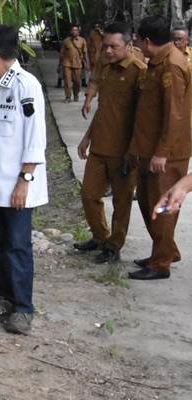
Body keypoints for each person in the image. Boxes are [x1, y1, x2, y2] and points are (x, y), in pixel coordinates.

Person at [0, 25, 47, 335]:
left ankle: (23, 309)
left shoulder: (26, 86)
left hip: (17, 185)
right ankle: (3, 300)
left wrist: (24, 180)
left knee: (17, 246)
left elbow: (34, 137)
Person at [74, 23, 146, 264]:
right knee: (89, 194)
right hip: (100, 146)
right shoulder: (105, 66)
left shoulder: (138, 71)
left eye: (114, 47)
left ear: (128, 46)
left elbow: (143, 118)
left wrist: (134, 150)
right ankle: (100, 236)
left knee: (121, 201)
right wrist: (87, 137)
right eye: (105, 46)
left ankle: (113, 246)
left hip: (124, 151)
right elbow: (104, 108)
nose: (107, 51)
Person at [127, 15, 192, 280]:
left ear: (147, 41)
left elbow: (175, 114)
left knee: (162, 207)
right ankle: (164, 250)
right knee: (146, 201)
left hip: (167, 154)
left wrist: (163, 152)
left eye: (139, 42)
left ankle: (161, 263)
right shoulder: (157, 63)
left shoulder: (171, 67)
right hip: (149, 149)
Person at [60, 25, 88, 102]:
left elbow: (85, 53)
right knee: (67, 81)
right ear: (70, 31)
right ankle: (68, 97)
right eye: (73, 30)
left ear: (78, 32)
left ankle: (76, 94)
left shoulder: (82, 40)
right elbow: (62, 53)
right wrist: (60, 64)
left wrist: (87, 63)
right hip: (67, 63)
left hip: (77, 64)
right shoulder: (66, 41)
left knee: (77, 82)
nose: (74, 31)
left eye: (76, 30)